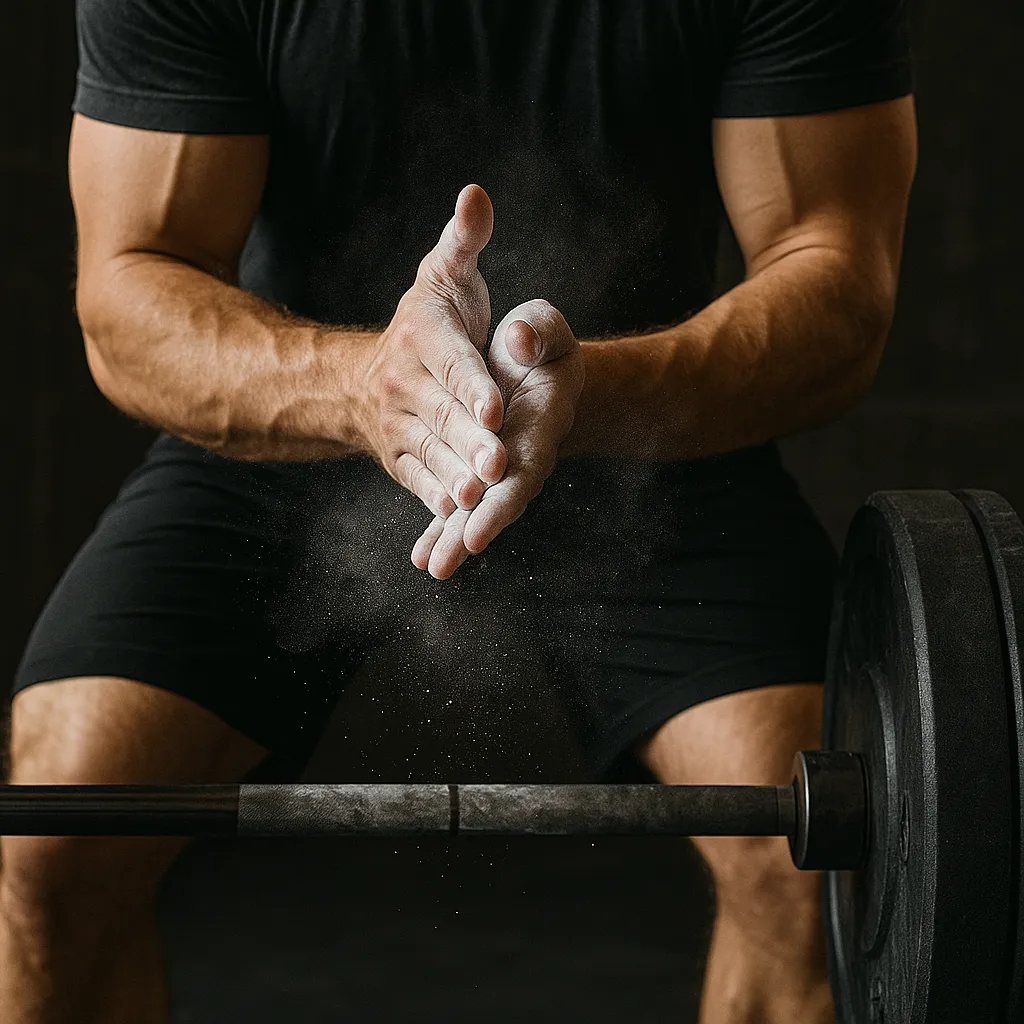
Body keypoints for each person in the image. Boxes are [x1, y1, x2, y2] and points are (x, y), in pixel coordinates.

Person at [1, 1, 917, 1021]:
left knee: (825, 846)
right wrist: (365, 387)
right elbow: (128, 290)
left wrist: (579, 395)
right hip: (294, 438)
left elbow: (835, 277)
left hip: (642, 436)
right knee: (48, 846)